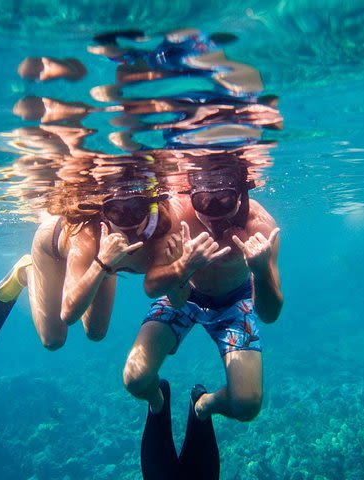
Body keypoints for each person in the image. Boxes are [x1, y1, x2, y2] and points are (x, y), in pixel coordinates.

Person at [123, 163, 284, 478]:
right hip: (186, 295)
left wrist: (262, 269)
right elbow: (157, 288)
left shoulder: (261, 229)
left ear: (242, 194)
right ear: (190, 193)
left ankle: (203, 406)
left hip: (235, 302)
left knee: (247, 405)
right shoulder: (177, 215)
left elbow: (269, 313)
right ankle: (158, 400)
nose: (212, 214)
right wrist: (183, 267)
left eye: (224, 200)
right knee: (135, 380)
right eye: (202, 201)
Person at [0, 172, 175, 348]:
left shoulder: (164, 230)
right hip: (51, 248)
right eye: (115, 211)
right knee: (53, 339)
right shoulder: (88, 237)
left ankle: (99, 267)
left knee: (96, 333)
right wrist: (101, 262)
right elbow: (68, 314)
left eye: (137, 209)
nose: (127, 220)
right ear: (104, 213)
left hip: (105, 261)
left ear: (152, 207)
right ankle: (27, 271)